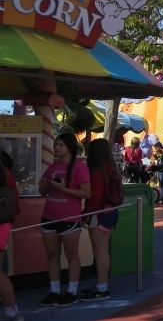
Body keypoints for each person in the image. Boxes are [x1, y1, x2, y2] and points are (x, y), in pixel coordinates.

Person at [39, 132, 91, 307]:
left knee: (71, 254)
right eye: (56, 145)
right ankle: (54, 291)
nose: (57, 148)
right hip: (49, 216)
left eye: (60, 145)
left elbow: (86, 193)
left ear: (69, 147)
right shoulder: (52, 167)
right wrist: (44, 186)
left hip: (69, 216)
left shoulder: (79, 167)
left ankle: (72, 291)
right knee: (52, 254)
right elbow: (43, 193)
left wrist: (64, 189)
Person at [80, 139, 121, 302]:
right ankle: (101, 285)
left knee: (99, 251)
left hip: (99, 213)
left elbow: (95, 197)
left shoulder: (96, 171)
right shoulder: (112, 169)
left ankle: (102, 287)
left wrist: (85, 213)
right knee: (103, 250)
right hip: (111, 212)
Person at [0, 153, 23, 321]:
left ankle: (12, 311)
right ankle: (11, 310)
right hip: (3, 224)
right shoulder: (5, 172)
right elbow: (14, 202)